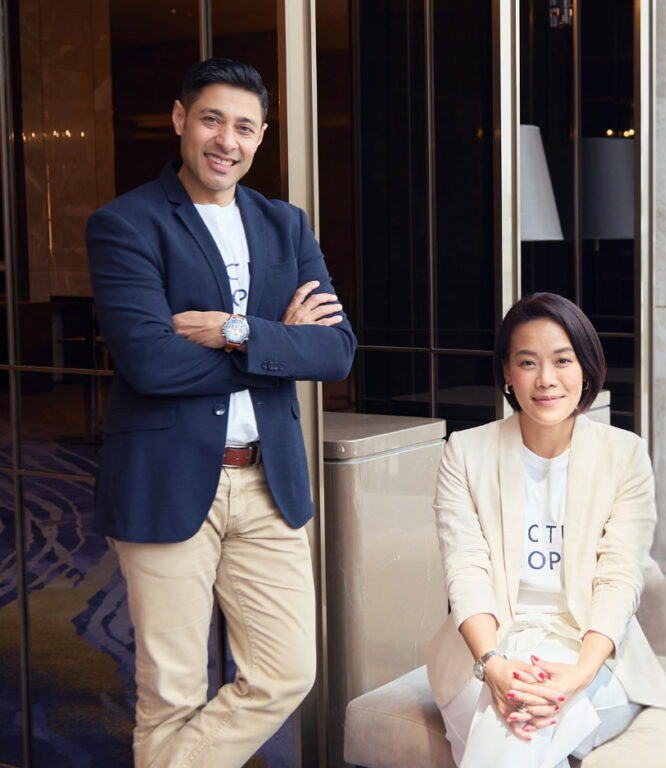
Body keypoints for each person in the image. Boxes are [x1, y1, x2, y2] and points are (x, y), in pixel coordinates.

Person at [87, 58, 355, 768]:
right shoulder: (126, 224)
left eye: (244, 126)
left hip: (268, 485)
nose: (226, 141)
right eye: (211, 119)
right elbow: (151, 363)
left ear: (261, 136)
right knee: (171, 693)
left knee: (286, 672)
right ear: (181, 119)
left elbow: (335, 353)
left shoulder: (284, 225)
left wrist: (234, 331)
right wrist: (278, 344)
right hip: (166, 478)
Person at [425, 293, 666, 767]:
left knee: (517, 726)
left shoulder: (624, 455)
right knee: (522, 724)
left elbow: (619, 578)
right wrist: (493, 665)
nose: (546, 379)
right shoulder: (466, 453)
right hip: (490, 652)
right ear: (507, 373)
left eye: (562, 360)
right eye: (527, 362)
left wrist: (579, 674)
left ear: (586, 369)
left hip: (593, 659)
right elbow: (466, 571)